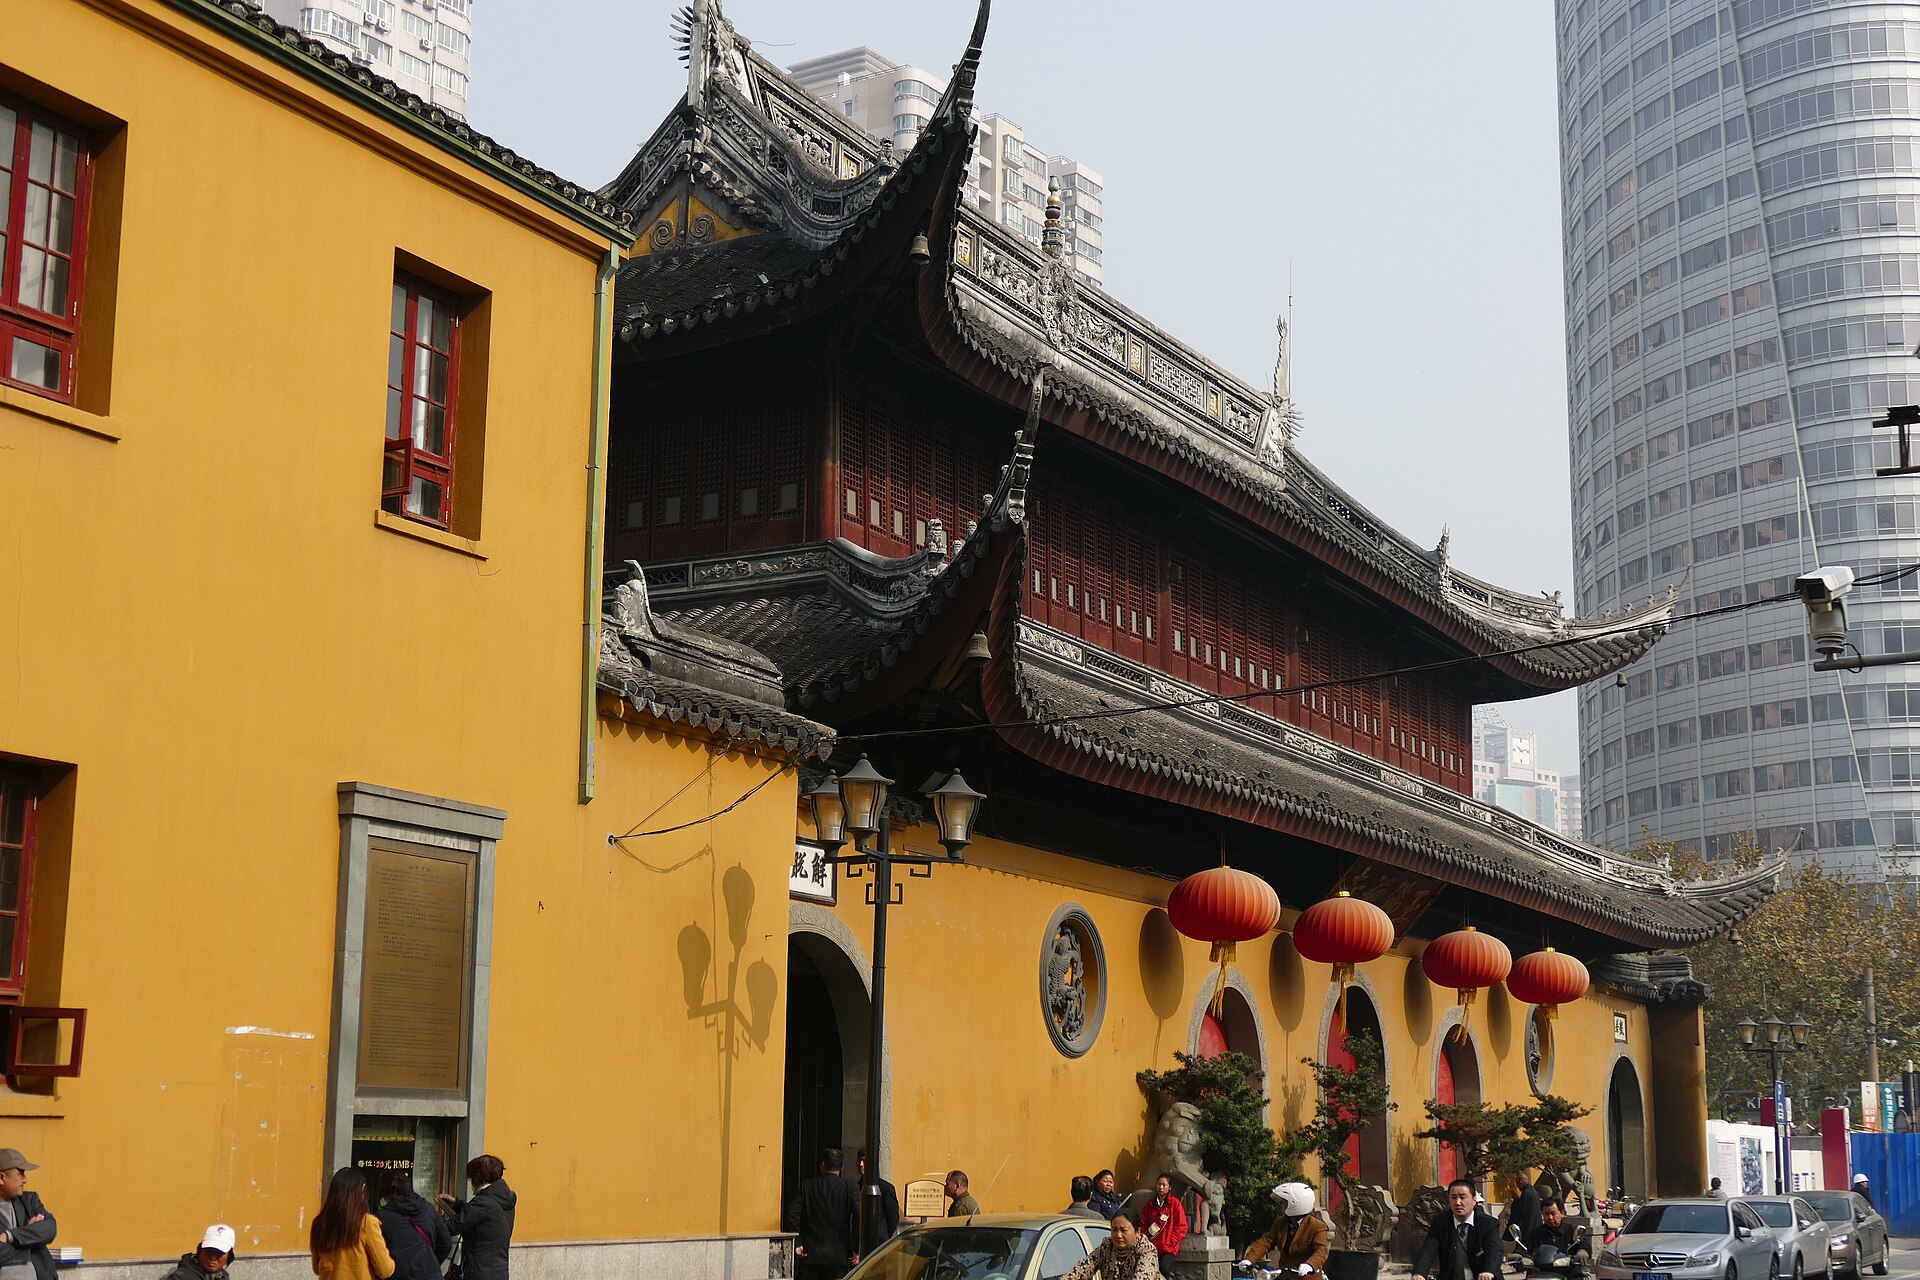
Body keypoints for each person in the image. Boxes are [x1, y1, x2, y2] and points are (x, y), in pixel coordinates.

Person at [436, 1155, 515, 1280]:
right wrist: (457, 1205)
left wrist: (428, 1215)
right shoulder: (504, 1200)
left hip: (479, 1272)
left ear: (476, 1177)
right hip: (498, 1272)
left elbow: (452, 1226)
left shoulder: (483, 1203)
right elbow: (479, 1218)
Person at [787, 1148, 860, 1280]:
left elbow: (793, 1213)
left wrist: (797, 1242)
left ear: (822, 1165)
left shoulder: (807, 1186)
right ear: (841, 1167)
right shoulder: (850, 1188)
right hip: (840, 1255)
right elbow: (859, 1216)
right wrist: (856, 1247)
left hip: (811, 1254)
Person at [310, 1168, 395, 1280]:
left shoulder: (320, 1222)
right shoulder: (367, 1223)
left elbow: (317, 1268)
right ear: (362, 1188)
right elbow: (385, 1270)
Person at [1412, 1179, 1503, 1280]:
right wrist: (1419, 1273)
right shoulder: (1441, 1222)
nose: (1458, 1202)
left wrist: (1489, 1271)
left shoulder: (1488, 1223)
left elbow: (1494, 1249)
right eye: (1453, 1197)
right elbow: (1428, 1249)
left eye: (1463, 1197)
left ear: (1474, 1200)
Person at [1240, 1182, 1328, 1278]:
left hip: (1307, 1277)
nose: (1281, 1206)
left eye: (1284, 1203)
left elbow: (1321, 1250)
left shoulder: (1317, 1226)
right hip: (1284, 1276)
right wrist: (1249, 1259)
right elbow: (1267, 1241)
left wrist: (1310, 1265)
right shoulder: (1280, 1222)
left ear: (1294, 1204)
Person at [375, 1173, 451, 1280]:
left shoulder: (381, 1218)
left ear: (385, 1194)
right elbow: (446, 1243)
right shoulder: (427, 1209)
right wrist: (430, 1263)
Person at [0, 1149, 55, 1280]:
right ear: (1, 1178)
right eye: (20, 1174)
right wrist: (31, 1236)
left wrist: (10, 1236)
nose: (25, 1179)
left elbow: (50, 1228)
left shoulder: (29, 1200)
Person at [1060, 1210, 1160, 1280]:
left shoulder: (1147, 1251)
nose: (1118, 1235)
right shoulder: (1107, 1247)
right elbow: (1082, 1268)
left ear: (1137, 1232)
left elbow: (1143, 1276)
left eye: (1123, 1230)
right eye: (1114, 1230)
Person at [1523, 1200, 1589, 1269]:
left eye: (1553, 1214)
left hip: (1568, 1271)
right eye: (1546, 1214)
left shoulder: (1572, 1230)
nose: (1550, 1217)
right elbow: (1524, 1246)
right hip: (1541, 1270)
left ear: (1562, 1213)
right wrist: (1518, 1254)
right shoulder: (1535, 1233)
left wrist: (1583, 1251)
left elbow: (1584, 1243)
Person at [853, 1150, 900, 1244]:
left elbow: (893, 1219)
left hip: (879, 1242)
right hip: (858, 1243)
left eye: (864, 1161)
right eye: (859, 1161)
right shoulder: (855, 1187)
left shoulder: (886, 1188)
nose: (861, 1164)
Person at [1139, 1175, 1188, 1264]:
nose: (1161, 1187)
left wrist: (1171, 1241)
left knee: (1164, 1269)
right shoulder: (1149, 1205)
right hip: (1152, 1247)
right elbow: (1143, 1225)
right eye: (1159, 1184)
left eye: (1164, 1185)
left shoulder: (1175, 1204)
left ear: (1169, 1187)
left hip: (1168, 1248)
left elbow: (1182, 1226)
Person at [160, 1223, 235, 1280]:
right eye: (209, 1251)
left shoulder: (222, 1276)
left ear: (229, 1256)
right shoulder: (181, 1277)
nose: (212, 1257)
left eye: (219, 1252)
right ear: (200, 1251)